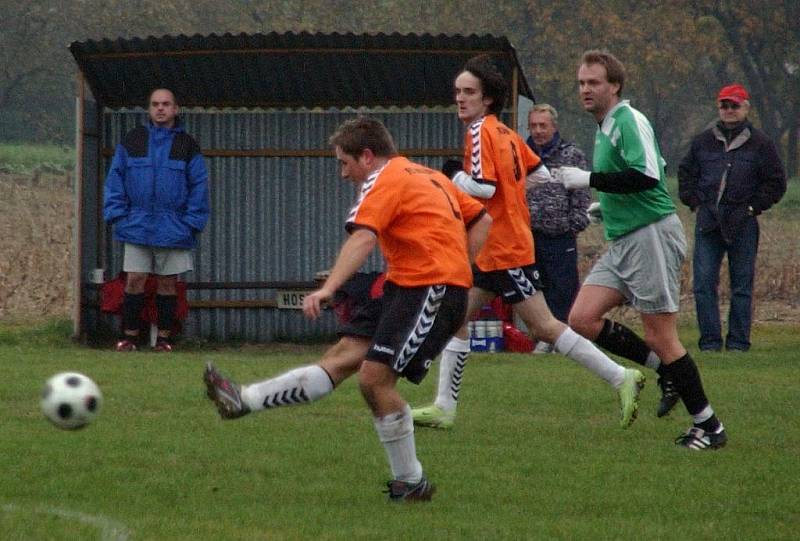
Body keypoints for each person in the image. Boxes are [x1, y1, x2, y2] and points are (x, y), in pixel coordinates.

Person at [205, 117, 492, 502]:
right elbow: (482, 219)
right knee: (341, 357)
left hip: (430, 289)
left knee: (374, 380)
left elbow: (363, 239)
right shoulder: (428, 175)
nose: (343, 174)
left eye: (344, 163)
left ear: (367, 156)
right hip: (407, 285)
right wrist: (461, 263)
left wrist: (328, 288)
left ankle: (411, 480)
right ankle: (244, 400)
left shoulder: (383, 180)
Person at [411, 55, 645, 431]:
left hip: (504, 249)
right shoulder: (505, 133)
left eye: (469, 92)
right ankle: (443, 407)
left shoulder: (479, 132)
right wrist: (510, 201)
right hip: (496, 246)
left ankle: (621, 376)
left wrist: (452, 176)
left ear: (487, 98)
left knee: (545, 327)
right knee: (455, 314)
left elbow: (482, 187)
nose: (460, 98)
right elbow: (540, 175)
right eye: (457, 92)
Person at [560, 50, 727, 450]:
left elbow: (648, 174)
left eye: (594, 82)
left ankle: (709, 426)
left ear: (614, 86)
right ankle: (662, 372)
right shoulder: (605, 126)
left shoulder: (626, 120)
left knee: (662, 336)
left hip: (649, 236)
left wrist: (587, 180)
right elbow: (637, 175)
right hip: (626, 238)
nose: (586, 89)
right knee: (582, 318)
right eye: (582, 82)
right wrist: (608, 206)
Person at [678, 84, 786, 352]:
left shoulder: (761, 143)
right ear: (718, 108)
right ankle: (710, 343)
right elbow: (685, 174)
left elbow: (776, 183)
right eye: (724, 105)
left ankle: (738, 343)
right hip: (709, 222)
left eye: (734, 105)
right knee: (702, 284)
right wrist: (695, 203)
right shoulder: (702, 141)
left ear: (746, 108)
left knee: (742, 286)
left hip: (743, 223)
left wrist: (752, 208)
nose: (729, 110)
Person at [103, 88, 209, 352]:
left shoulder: (187, 145)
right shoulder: (132, 140)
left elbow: (199, 185)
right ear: (149, 109)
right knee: (134, 279)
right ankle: (129, 337)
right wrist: (118, 215)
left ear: (176, 109)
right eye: (155, 104)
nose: (160, 108)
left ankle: (164, 339)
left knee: (167, 283)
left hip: (173, 226)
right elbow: (115, 177)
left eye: (166, 104)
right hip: (136, 225)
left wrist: (191, 222)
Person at [525, 103, 591, 353]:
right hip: (528, 235)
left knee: (562, 289)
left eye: (543, 126)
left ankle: (562, 340)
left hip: (560, 235)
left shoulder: (570, 154)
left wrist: (574, 223)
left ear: (554, 127)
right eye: (534, 126)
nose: (538, 131)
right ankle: (539, 336)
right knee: (532, 289)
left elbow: (582, 194)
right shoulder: (522, 153)